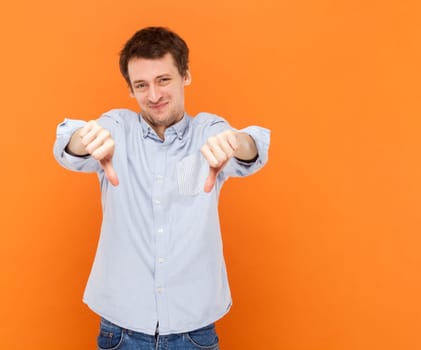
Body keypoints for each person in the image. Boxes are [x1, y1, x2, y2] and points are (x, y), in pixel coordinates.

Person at [53, 26, 270, 350]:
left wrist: (235, 142)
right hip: (120, 330)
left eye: (163, 80)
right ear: (131, 89)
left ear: (185, 75)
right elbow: (71, 143)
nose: (153, 95)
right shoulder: (116, 128)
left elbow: (252, 147)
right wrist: (85, 139)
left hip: (193, 331)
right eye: (141, 85)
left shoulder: (208, 130)